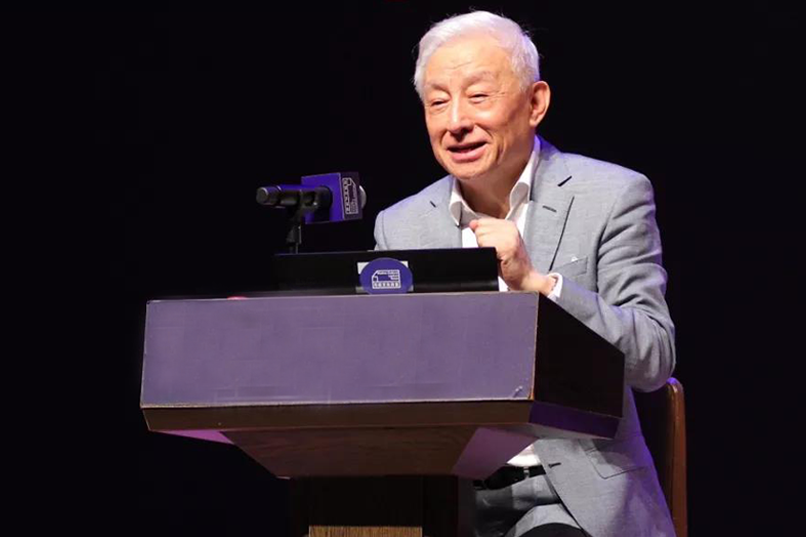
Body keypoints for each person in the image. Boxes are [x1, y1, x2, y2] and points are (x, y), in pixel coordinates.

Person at [373, 11, 677, 537]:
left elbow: (653, 358)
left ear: (535, 103)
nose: (455, 121)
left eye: (478, 96)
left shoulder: (611, 197)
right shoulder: (401, 226)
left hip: (574, 500)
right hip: (444, 496)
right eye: (438, 102)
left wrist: (541, 286)